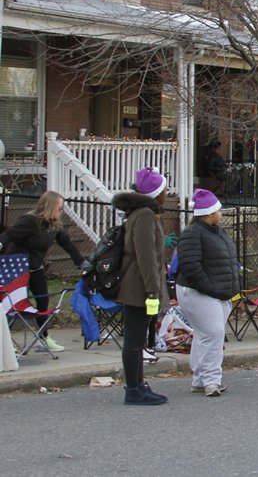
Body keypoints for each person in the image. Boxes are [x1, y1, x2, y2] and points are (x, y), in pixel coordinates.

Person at [110, 167, 170, 405]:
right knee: (135, 341)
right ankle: (133, 389)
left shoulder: (141, 213)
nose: (168, 192)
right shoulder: (145, 215)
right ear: (156, 192)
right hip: (139, 288)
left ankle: (139, 384)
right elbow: (147, 257)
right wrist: (153, 291)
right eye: (164, 188)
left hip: (139, 285)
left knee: (138, 341)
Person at [0, 191, 84, 353]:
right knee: (12, 306)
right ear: (50, 206)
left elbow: (66, 243)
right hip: (18, 270)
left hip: (36, 268)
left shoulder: (54, 225)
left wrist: (80, 262)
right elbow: (9, 234)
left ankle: (43, 339)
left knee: (42, 301)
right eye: (59, 208)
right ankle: (5, 343)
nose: (61, 212)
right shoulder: (29, 221)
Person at [175, 189, 239, 397]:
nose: (221, 213)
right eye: (218, 209)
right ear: (210, 212)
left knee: (205, 335)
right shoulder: (192, 233)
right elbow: (191, 266)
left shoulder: (219, 233)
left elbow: (227, 261)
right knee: (213, 334)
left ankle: (200, 379)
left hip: (217, 292)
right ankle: (211, 380)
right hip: (198, 292)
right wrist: (210, 287)